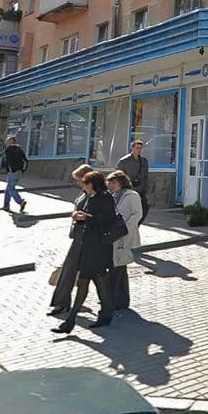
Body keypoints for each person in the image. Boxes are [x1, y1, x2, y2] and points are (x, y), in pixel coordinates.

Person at [51, 171, 117, 334]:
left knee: (95, 282)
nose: (83, 186)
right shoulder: (91, 197)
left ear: (93, 184)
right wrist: (78, 217)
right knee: (87, 282)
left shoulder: (105, 198)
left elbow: (106, 220)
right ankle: (73, 320)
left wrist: (85, 217)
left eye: (85, 183)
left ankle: (101, 315)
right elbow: (89, 218)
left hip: (99, 248)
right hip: (88, 246)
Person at [48, 163, 94, 317]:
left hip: (88, 239)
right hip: (79, 236)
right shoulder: (84, 193)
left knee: (95, 275)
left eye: (80, 180)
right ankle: (61, 303)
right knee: (69, 271)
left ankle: (110, 303)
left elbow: (98, 216)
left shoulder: (96, 195)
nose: (78, 183)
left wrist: (82, 217)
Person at [106, 169, 143, 312]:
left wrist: (125, 227)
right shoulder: (113, 196)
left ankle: (117, 300)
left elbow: (137, 214)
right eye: (109, 183)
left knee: (118, 267)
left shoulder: (131, 195)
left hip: (124, 235)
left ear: (121, 182)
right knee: (118, 268)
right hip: (114, 234)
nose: (111, 185)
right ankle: (119, 299)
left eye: (113, 183)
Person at [117, 140, 150, 223]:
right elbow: (119, 176)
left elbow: (146, 176)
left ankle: (136, 225)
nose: (139, 150)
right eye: (137, 148)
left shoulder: (144, 161)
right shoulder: (124, 161)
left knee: (144, 210)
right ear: (132, 148)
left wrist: (146, 189)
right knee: (129, 212)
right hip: (129, 190)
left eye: (141, 148)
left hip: (141, 191)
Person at [1, 135, 28, 213]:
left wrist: (10, 170)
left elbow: (9, 162)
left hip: (12, 172)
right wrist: (23, 170)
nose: (6, 142)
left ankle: (20, 201)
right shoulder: (19, 149)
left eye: (7, 141)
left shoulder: (9, 150)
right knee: (8, 189)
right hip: (18, 171)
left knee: (11, 188)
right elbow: (25, 160)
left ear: (10, 142)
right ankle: (6, 205)